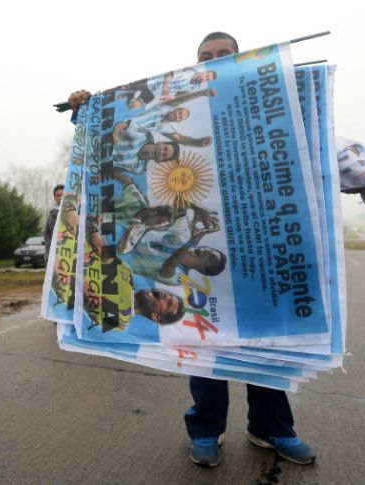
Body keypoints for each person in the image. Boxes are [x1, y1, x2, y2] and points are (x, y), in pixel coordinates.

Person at [66, 31, 315, 468]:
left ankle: (272, 428)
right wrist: (85, 111)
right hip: (196, 246)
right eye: (207, 56)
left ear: (241, 60)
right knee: (205, 345)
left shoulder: (259, 99)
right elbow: (117, 137)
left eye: (224, 55)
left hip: (254, 249)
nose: (215, 60)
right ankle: (205, 429)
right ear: (196, 64)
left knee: (264, 341)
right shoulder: (177, 117)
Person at [44, 184, 64, 262]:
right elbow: (47, 235)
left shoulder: (76, 212)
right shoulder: (52, 215)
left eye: (62, 194)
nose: (60, 197)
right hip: (56, 256)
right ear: (55, 197)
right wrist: (48, 256)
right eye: (58, 195)